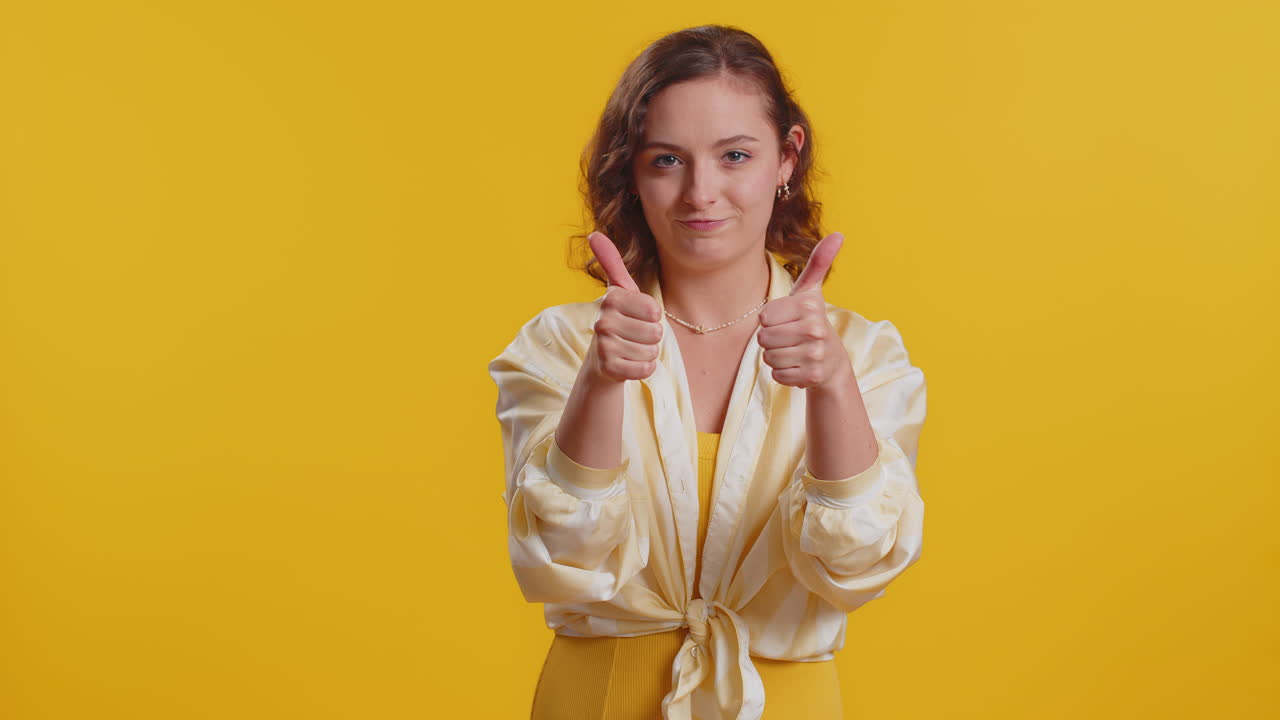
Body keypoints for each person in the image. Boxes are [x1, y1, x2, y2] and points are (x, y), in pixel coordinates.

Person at [487, 24, 927, 720]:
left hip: (784, 701)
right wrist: (600, 384)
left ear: (786, 158)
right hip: (600, 699)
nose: (701, 192)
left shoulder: (866, 356)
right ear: (631, 170)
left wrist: (833, 386)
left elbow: (854, 567)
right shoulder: (560, 347)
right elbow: (562, 558)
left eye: (734, 156)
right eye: (667, 160)